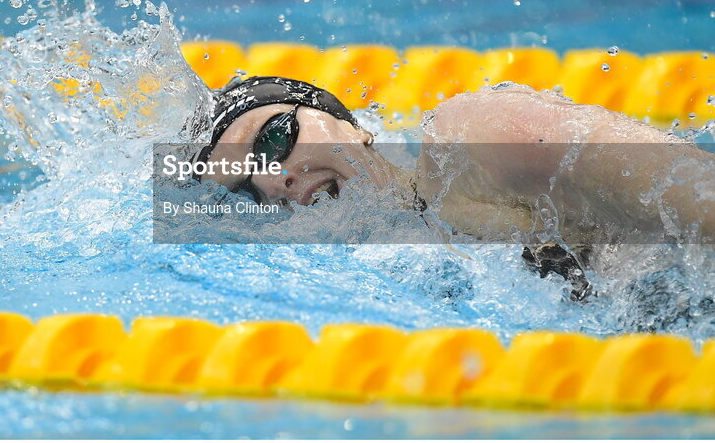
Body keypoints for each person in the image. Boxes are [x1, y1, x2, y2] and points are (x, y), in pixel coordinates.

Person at [194, 76, 715, 300]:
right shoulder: (404, 274)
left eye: (275, 137)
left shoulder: (466, 141)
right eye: (248, 187)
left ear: (350, 125)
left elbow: (694, 189)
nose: (274, 179)